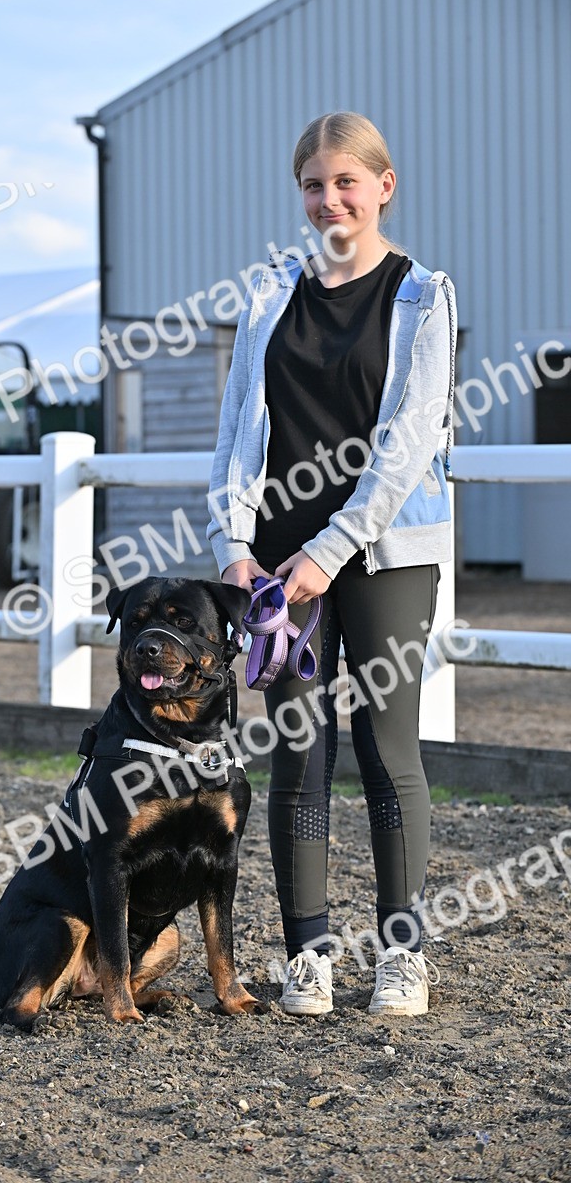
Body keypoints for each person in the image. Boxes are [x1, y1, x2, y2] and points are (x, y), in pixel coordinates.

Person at [206, 111, 457, 1017]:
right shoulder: (270, 295)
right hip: (278, 565)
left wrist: (330, 547)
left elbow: (405, 445)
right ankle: (307, 952)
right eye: (314, 184)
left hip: (382, 553)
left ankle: (402, 953)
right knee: (297, 753)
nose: (329, 200)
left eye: (346, 182)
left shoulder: (422, 297)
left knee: (388, 750)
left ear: (384, 186)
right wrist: (239, 543)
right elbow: (240, 428)